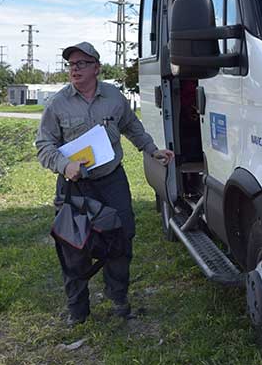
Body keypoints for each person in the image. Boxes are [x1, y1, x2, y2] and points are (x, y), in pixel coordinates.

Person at [35, 42, 174, 326]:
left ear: (97, 68)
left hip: (112, 182)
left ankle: (119, 300)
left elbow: (131, 126)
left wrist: (152, 149)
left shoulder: (113, 96)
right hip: (74, 186)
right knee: (73, 248)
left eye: (81, 63)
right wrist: (65, 165)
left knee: (121, 240)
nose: (75, 69)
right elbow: (43, 146)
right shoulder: (58, 104)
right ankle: (78, 311)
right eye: (71, 64)